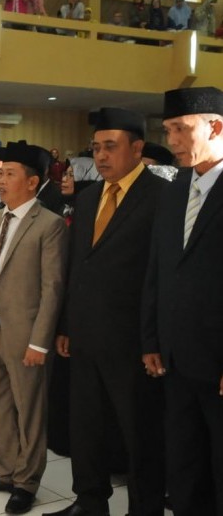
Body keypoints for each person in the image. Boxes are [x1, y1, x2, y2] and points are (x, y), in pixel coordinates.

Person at [46, 108, 167, 516]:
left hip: (132, 339)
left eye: (110, 147)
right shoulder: (89, 195)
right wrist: (65, 325)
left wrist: (152, 339)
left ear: (137, 148)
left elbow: (158, 276)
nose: (100, 156)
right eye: (96, 148)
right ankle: (90, 500)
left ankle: (144, 508)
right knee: (87, 425)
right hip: (84, 334)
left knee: (139, 432)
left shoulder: (160, 197)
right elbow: (77, 265)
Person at [0, 142, 68, 515]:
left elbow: (52, 288)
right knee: (0, 406)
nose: (0, 179)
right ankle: (5, 471)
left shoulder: (50, 225)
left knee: (30, 411)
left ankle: (27, 482)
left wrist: (40, 343)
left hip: (25, 334)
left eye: (9, 174)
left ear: (32, 181)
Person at [142, 86, 223, 516]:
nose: (171, 140)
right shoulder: (174, 191)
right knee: (185, 463)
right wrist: (151, 339)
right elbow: (158, 271)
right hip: (175, 358)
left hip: (218, 360)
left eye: (180, 129)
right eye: (167, 129)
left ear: (216, 126)